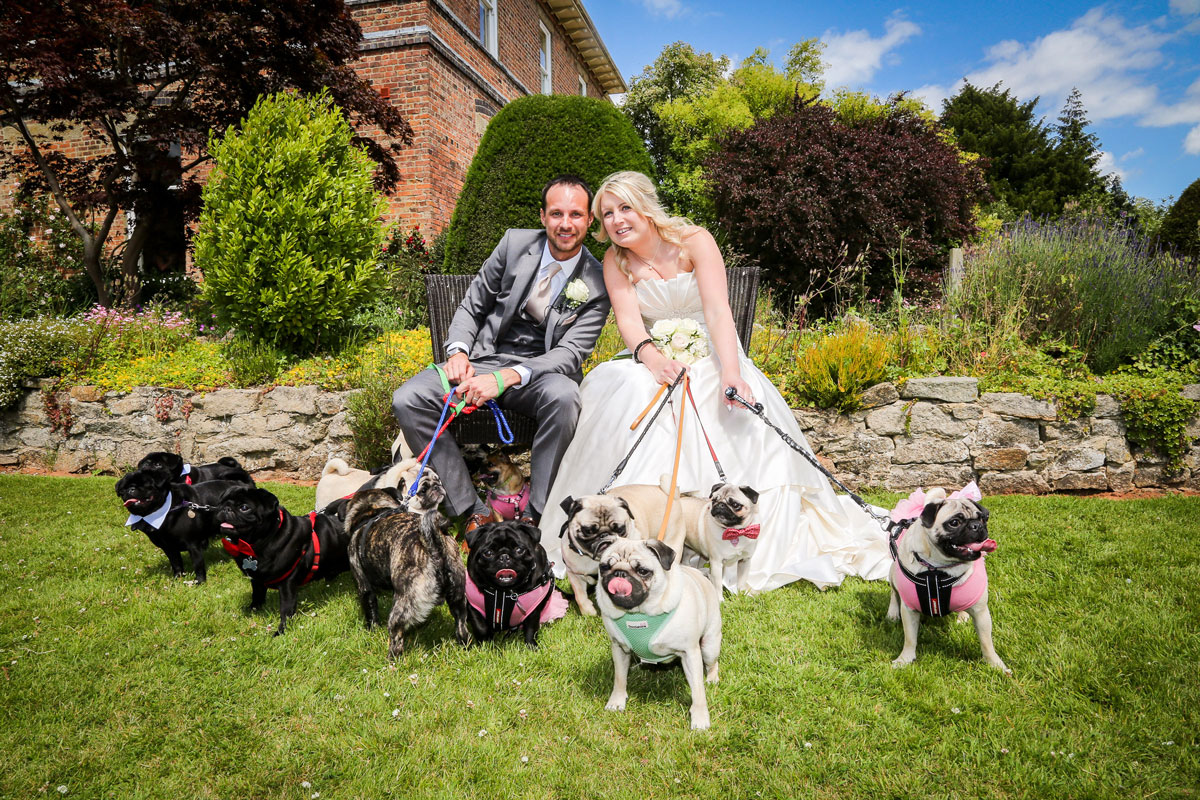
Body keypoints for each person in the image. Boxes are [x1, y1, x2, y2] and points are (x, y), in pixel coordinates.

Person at [540, 171, 890, 592]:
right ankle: (619, 532)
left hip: (710, 353)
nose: (616, 220)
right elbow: (630, 322)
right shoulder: (616, 260)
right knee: (626, 390)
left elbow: (719, 312)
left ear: (646, 205)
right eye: (607, 213)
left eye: (625, 208)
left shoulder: (694, 241)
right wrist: (653, 357)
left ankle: (722, 532)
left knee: (726, 397)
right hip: (653, 355)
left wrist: (731, 372)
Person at [392, 175, 611, 533]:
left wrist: (506, 377)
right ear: (542, 216)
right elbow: (472, 306)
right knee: (409, 398)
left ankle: (536, 513)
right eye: (557, 213)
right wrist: (460, 352)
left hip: (540, 374)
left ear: (589, 220)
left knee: (566, 396)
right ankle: (469, 510)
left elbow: (571, 353)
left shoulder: (598, 283)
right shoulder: (514, 244)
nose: (566, 224)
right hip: (482, 359)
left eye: (576, 214)